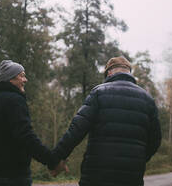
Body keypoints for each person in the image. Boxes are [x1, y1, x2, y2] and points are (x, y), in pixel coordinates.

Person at [50, 56, 162, 186]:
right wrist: (138, 159)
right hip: (131, 177)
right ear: (128, 72)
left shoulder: (99, 93)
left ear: (109, 72)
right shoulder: (148, 100)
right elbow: (156, 139)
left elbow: (76, 130)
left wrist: (56, 159)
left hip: (96, 176)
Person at [0, 60, 67, 186]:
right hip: (13, 177)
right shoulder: (15, 100)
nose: (25, 79)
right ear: (10, 78)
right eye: (22, 75)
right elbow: (26, 137)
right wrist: (51, 160)